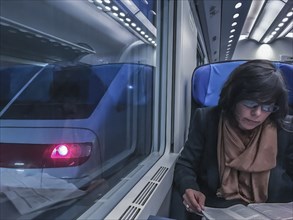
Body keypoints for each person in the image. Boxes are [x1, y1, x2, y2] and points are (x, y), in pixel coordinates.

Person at [169, 59, 293, 220]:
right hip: (218, 209)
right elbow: (185, 164)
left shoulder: (285, 128)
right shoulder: (207, 120)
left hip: (273, 211)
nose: (258, 114)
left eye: (268, 107)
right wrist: (189, 187)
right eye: (250, 104)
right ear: (233, 97)